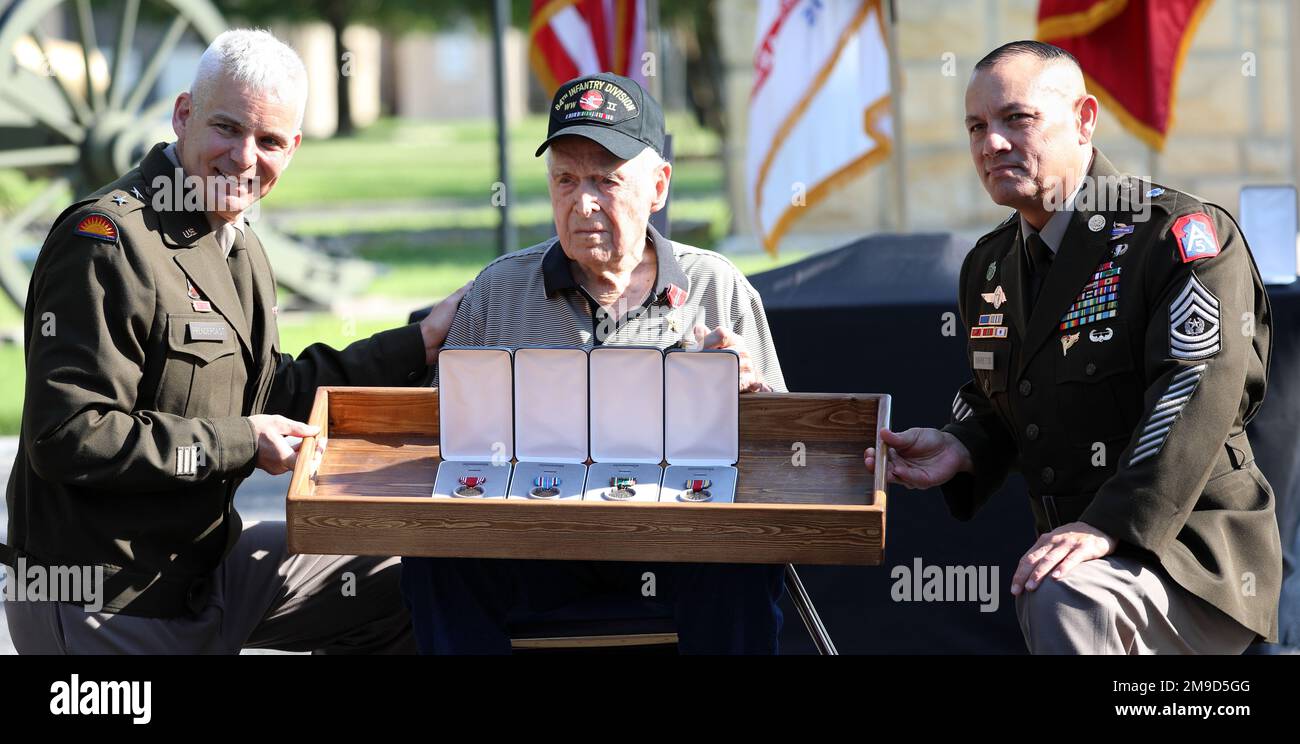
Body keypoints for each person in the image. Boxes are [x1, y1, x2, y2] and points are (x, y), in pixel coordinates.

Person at [2, 29, 466, 653]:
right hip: (108, 600)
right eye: (227, 128)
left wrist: (420, 344)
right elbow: (71, 437)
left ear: (293, 147)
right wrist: (244, 442)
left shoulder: (235, 239)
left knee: (415, 579)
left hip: (205, 570)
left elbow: (273, 389)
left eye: (270, 140)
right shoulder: (106, 241)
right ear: (183, 115)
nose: (245, 158)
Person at [865, 40, 1280, 653]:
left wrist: (1111, 522)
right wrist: (961, 445)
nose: (992, 143)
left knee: (1062, 593)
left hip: (1191, 555)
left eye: (1017, 119)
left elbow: (1195, 388)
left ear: (1085, 120)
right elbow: (1004, 397)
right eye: (976, 126)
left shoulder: (1176, 236)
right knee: (1060, 587)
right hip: (1085, 555)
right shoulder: (988, 268)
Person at [399, 72, 788, 654]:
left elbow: (787, 448)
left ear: (658, 186)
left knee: (743, 557)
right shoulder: (501, 289)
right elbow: (443, 439)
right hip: (540, 540)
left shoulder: (716, 285)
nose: (582, 203)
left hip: (677, 540)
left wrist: (750, 399)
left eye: (606, 181)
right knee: (439, 558)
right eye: (565, 179)